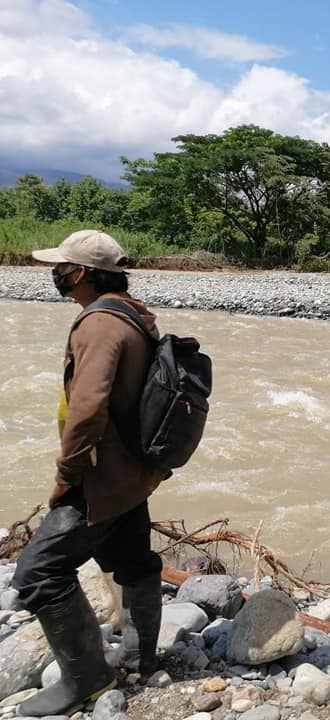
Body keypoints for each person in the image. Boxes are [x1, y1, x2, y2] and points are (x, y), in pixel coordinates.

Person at [13, 230, 167, 717]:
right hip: (133, 473)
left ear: (80, 273)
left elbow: (88, 409)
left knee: (38, 573)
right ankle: (142, 658)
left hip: (101, 477)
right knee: (134, 561)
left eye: (60, 267)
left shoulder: (98, 324)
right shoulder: (133, 314)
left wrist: (67, 475)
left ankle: (88, 679)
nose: (55, 274)